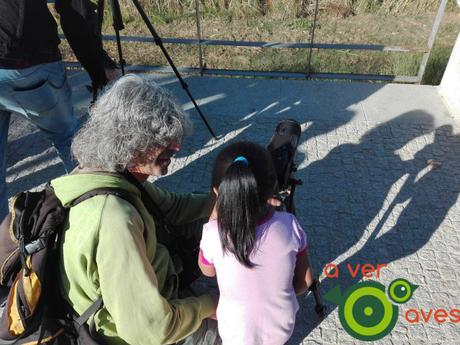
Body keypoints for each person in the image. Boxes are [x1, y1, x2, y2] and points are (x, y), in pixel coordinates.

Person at [50, 74, 220, 345]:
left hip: (129, 299)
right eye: (162, 140)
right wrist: (209, 304)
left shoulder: (103, 172)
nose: (176, 146)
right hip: (127, 334)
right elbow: (151, 330)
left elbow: (171, 208)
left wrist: (225, 201)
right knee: (241, 328)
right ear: (128, 142)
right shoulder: (115, 219)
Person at [0, 0, 118, 221]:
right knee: (70, 141)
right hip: (27, 58)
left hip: (19, 54)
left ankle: (4, 250)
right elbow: (74, 10)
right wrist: (97, 67)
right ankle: (100, 221)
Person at [198, 141, 314, 345]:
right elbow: (305, 282)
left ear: (217, 192)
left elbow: (207, 271)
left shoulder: (213, 232)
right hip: (281, 330)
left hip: (235, 334)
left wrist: (215, 216)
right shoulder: (289, 224)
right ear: (272, 189)